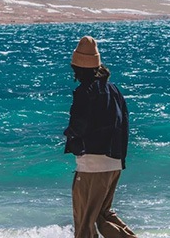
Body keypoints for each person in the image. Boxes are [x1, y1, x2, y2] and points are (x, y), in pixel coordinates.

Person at [64, 36, 136, 238]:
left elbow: (79, 125)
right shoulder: (113, 90)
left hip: (92, 164)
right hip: (114, 162)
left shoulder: (85, 92)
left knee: (84, 222)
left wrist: (70, 137)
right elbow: (124, 122)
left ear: (77, 67)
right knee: (103, 215)